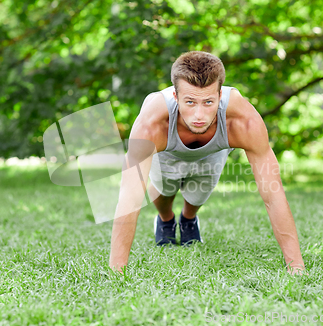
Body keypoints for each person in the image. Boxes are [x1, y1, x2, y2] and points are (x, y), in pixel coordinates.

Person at [109, 51, 305, 274]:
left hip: (212, 152)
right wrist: (117, 271)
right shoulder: (151, 125)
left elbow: (273, 193)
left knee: (198, 193)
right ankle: (166, 220)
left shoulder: (243, 121)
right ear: (175, 96)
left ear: (220, 95)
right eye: (190, 102)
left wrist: (296, 265)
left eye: (208, 102)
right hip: (166, 151)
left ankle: (188, 219)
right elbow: (129, 199)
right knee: (164, 188)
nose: (199, 115)